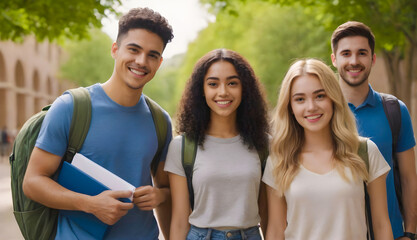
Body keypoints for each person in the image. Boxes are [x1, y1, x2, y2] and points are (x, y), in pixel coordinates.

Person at [22, 7, 174, 239]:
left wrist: (160, 196)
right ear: (115, 49)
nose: (141, 61)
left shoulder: (160, 120)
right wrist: (90, 204)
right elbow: (32, 182)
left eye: (152, 55)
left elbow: (166, 188)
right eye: (134, 49)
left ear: (160, 61)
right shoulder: (71, 107)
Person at [263, 59, 393, 240]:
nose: (311, 107)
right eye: (300, 99)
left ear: (333, 98)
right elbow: (276, 230)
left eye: (320, 96)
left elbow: (381, 224)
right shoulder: (279, 160)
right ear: (290, 107)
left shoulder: (364, 152)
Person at [164, 49, 270, 240]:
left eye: (232, 83)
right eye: (213, 84)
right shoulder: (182, 147)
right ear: (201, 91)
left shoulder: (264, 144)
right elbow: (179, 220)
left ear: (244, 88)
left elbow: (268, 214)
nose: (223, 92)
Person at [331, 21, 417, 239]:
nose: (354, 61)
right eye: (346, 53)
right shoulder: (322, 114)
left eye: (362, 53)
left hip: (393, 234)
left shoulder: (395, 111)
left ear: (373, 58)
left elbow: (409, 179)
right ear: (334, 59)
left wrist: (410, 233)